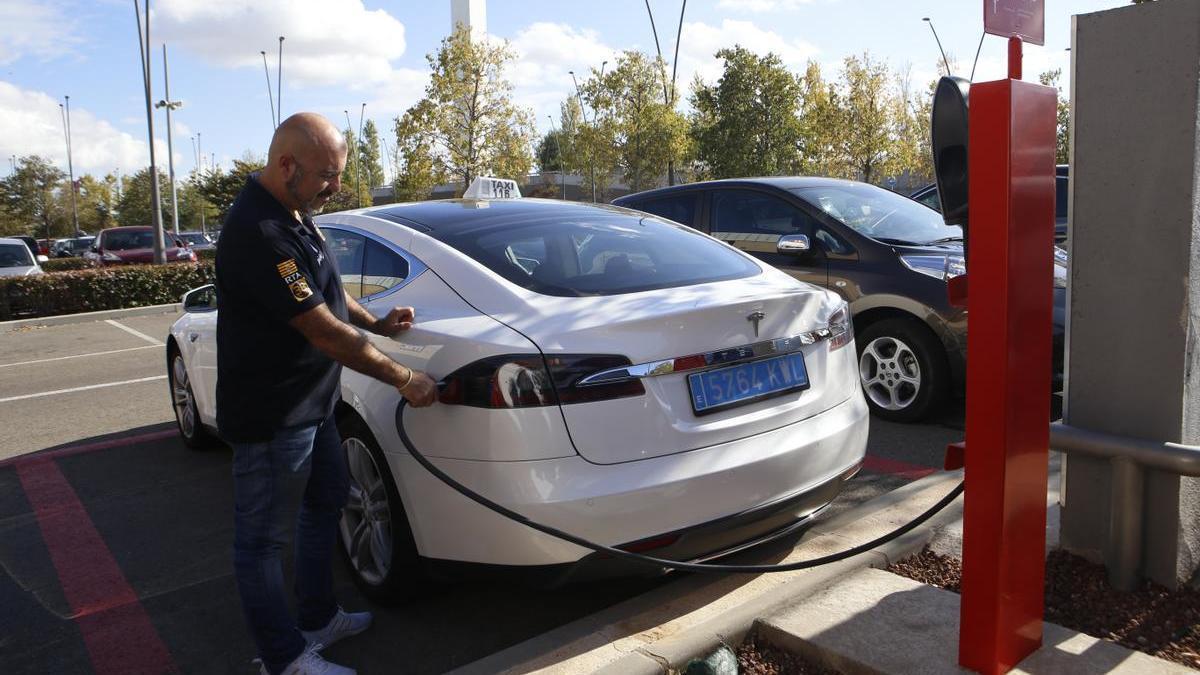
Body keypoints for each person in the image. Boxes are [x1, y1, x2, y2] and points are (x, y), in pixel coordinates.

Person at [215, 112, 437, 675]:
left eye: (338, 175)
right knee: (261, 543)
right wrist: (406, 378)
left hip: (314, 408)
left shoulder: (294, 212)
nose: (334, 188)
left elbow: (329, 298)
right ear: (286, 164)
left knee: (326, 503)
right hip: (272, 416)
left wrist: (380, 324)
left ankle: (316, 618)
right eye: (326, 176)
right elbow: (320, 328)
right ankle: (282, 657)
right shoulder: (258, 231)